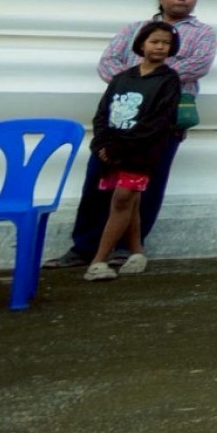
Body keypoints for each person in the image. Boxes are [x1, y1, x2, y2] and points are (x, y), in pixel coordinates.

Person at [56, 0, 216, 268]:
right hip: (119, 120)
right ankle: (84, 248)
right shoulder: (134, 29)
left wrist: (147, 77)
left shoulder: (203, 33)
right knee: (98, 184)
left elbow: (198, 64)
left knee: (145, 187)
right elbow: (108, 62)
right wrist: (136, 77)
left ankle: (126, 249)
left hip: (161, 125)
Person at [80, 21, 184, 281]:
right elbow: (102, 114)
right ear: (141, 44)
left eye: (166, 43)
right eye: (154, 41)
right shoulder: (122, 79)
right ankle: (137, 252)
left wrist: (122, 147)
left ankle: (99, 260)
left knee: (123, 198)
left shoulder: (169, 80)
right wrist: (102, 145)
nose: (160, 47)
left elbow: (158, 121)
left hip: (141, 154)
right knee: (130, 201)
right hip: (111, 152)